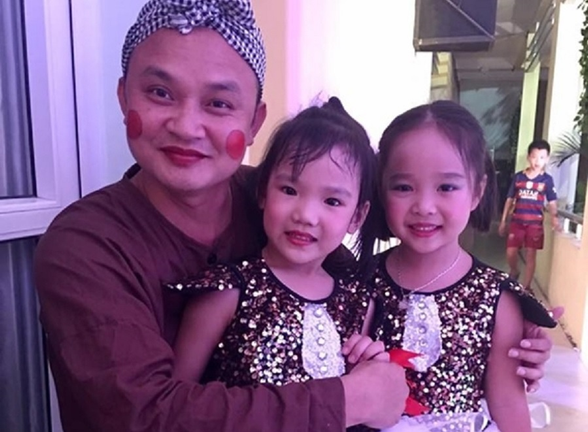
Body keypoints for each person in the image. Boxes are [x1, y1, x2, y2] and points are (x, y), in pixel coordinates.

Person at [33, 1, 556, 431]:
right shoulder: (86, 247)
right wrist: (349, 399)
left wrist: (511, 341)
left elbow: (357, 295)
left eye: (218, 104)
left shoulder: (276, 199)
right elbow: (145, 418)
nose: (187, 126)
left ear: (254, 121)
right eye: (160, 93)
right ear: (122, 95)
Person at [171, 97, 389, 391]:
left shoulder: (360, 305)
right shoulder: (226, 293)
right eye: (289, 190)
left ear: (357, 216)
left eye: (332, 201)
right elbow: (177, 402)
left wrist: (369, 370)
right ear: (263, 192)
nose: (305, 215)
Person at [365, 101, 557, 431]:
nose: (424, 206)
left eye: (446, 187)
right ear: (382, 191)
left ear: (477, 192)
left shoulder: (496, 297)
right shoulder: (358, 281)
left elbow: (508, 403)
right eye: (403, 187)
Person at [498, 139, 559, 290]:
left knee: (531, 255)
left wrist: (554, 218)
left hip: (535, 224)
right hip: (517, 222)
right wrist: (503, 220)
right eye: (534, 157)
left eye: (542, 157)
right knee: (511, 252)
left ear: (547, 159)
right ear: (528, 157)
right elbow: (509, 199)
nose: (537, 161)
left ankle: (526, 287)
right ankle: (514, 270)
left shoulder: (547, 180)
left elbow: (552, 201)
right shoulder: (519, 177)